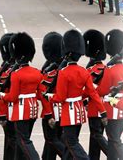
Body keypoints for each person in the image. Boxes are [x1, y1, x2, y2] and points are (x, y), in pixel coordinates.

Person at [45, 29, 107, 160]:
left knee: (70, 142)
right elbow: (92, 93)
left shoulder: (63, 72)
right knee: (69, 144)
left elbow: (60, 97)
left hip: (69, 113)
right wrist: (103, 112)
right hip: (79, 112)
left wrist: (49, 97)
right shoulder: (84, 71)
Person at [0, 32, 42, 159]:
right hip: (33, 110)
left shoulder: (16, 74)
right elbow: (40, 94)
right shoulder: (37, 72)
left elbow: (12, 97)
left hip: (20, 111)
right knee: (23, 141)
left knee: (23, 141)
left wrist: (0, 95)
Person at [98, 30, 123, 160]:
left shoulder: (110, 70)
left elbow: (102, 90)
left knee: (114, 140)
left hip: (112, 109)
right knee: (112, 142)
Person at [38, 32, 65, 160]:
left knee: (52, 139)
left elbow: (43, 95)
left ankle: (70, 156)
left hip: (52, 111)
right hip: (63, 111)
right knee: (51, 142)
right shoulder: (62, 69)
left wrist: (48, 115)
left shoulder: (50, 73)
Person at [83, 30, 109, 160]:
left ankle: (114, 153)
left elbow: (87, 91)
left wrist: (83, 101)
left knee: (96, 136)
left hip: (95, 108)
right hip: (106, 106)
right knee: (95, 138)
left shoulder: (92, 71)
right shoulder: (106, 69)